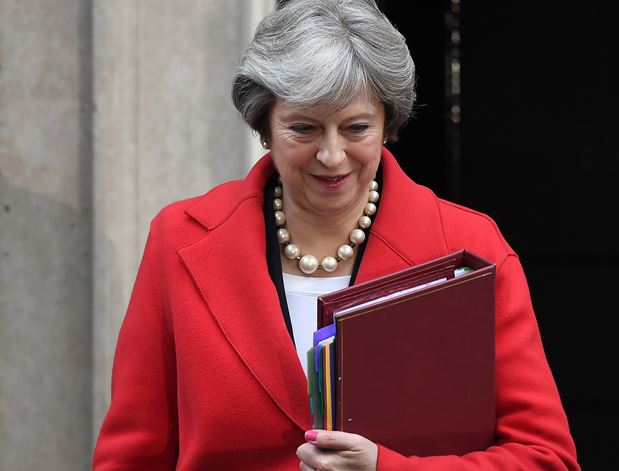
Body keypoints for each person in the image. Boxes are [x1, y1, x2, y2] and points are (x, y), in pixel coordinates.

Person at [92, 0, 579, 469]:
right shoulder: (179, 241)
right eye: (303, 128)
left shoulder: (470, 248)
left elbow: (546, 459)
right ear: (262, 125)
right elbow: (132, 458)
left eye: (356, 128)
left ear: (389, 124)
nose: (331, 155)